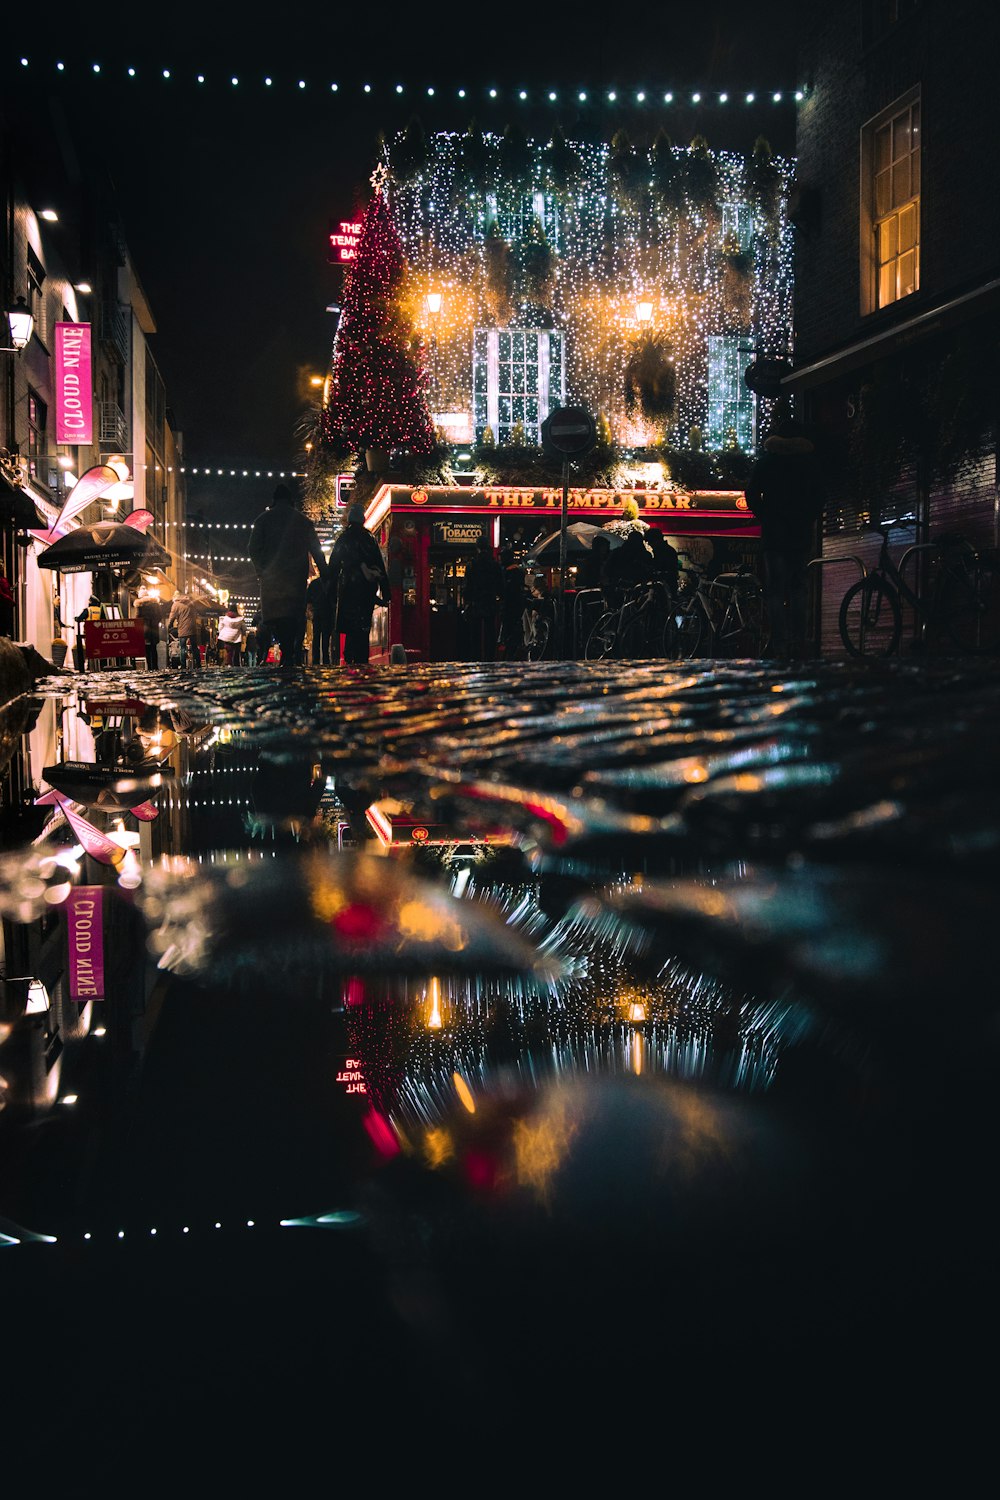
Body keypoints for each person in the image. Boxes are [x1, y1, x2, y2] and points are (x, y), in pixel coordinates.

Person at [744, 398, 826, 659]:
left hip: (774, 534)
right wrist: (809, 517)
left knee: (776, 590)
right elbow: (820, 496)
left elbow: (752, 493)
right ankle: (798, 640)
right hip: (800, 533)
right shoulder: (810, 463)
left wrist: (765, 515)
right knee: (799, 587)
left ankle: (779, 641)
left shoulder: (768, 462)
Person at [248, 484, 328, 668]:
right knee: (293, 615)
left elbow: (253, 549)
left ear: (274, 500)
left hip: (272, 577)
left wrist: (261, 570)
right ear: (291, 501)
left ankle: (287, 651)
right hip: (295, 577)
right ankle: (290, 653)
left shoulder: (263, 520)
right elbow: (316, 550)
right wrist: (325, 573)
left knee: (276, 617)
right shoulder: (303, 522)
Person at [327, 503, 390, 665]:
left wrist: (331, 590)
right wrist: (386, 591)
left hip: (348, 586)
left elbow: (333, 566)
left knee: (349, 625)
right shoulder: (369, 539)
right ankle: (362, 658)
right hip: (366, 588)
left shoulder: (344, 538)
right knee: (363, 625)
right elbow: (379, 565)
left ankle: (349, 656)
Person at [462, 533, 503, 661]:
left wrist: (467, 601)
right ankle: (489, 659)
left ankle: (476, 659)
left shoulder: (472, 565)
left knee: (475, 634)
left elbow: (467, 586)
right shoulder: (494, 565)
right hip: (490, 601)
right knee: (490, 633)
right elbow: (500, 586)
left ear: (477, 548)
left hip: (476, 602)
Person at [305, 566, 338, 665]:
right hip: (328, 612)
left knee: (316, 636)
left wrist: (311, 611)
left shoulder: (314, 583)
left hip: (317, 612)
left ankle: (316, 660)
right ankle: (326, 660)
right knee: (326, 637)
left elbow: (308, 600)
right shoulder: (332, 583)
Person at [499, 544, 526, 661]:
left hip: (509, 607)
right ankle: (513, 652)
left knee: (509, 631)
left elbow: (504, 590)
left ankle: (510, 653)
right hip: (517, 606)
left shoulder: (507, 572)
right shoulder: (519, 571)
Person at [166, 590, 203, 670]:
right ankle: (198, 664)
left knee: (183, 648)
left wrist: (169, 626)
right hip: (192, 627)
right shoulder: (191, 603)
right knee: (194, 647)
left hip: (182, 628)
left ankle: (183, 666)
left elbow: (172, 617)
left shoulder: (176, 604)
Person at [135, 591, 164, 670]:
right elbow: (160, 616)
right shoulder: (155, 605)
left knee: (147, 649)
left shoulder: (140, 605)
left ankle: (149, 667)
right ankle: (155, 667)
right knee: (154, 648)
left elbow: (138, 619)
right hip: (154, 629)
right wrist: (155, 623)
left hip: (145, 630)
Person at [0, 563, 15, 638]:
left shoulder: (4, 579)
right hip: (2, 605)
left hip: (6, 605)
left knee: (6, 622)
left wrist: (11, 590)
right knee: (3, 622)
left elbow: (6, 589)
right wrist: (9, 600)